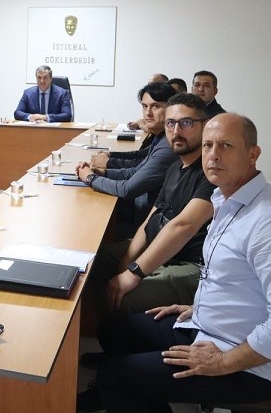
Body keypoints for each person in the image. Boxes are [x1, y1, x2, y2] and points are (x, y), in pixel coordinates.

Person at [78, 114, 271, 413]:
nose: (213, 155)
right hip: (208, 326)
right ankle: (132, 389)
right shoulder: (226, 200)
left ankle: (119, 387)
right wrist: (199, 307)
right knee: (114, 329)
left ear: (253, 155)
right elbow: (233, 278)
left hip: (247, 363)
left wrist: (221, 363)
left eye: (226, 145)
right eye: (208, 145)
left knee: (115, 377)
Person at [84, 94, 213, 326]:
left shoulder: (210, 173)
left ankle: (119, 334)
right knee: (93, 263)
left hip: (189, 264)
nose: (176, 131)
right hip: (159, 247)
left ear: (204, 125)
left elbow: (182, 227)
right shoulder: (175, 166)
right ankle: (95, 330)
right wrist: (127, 261)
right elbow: (151, 218)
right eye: (170, 123)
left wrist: (133, 272)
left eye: (186, 123)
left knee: (124, 296)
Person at [77, 82, 178, 237]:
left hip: (144, 217)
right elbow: (137, 169)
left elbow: (128, 189)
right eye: (144, 106)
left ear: (170, 108)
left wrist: (91, 178)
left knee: (88, 215)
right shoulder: (162, 136)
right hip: (140, 204)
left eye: (155, 106)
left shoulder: (168, 145)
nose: (148, 113)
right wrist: (102, 172)